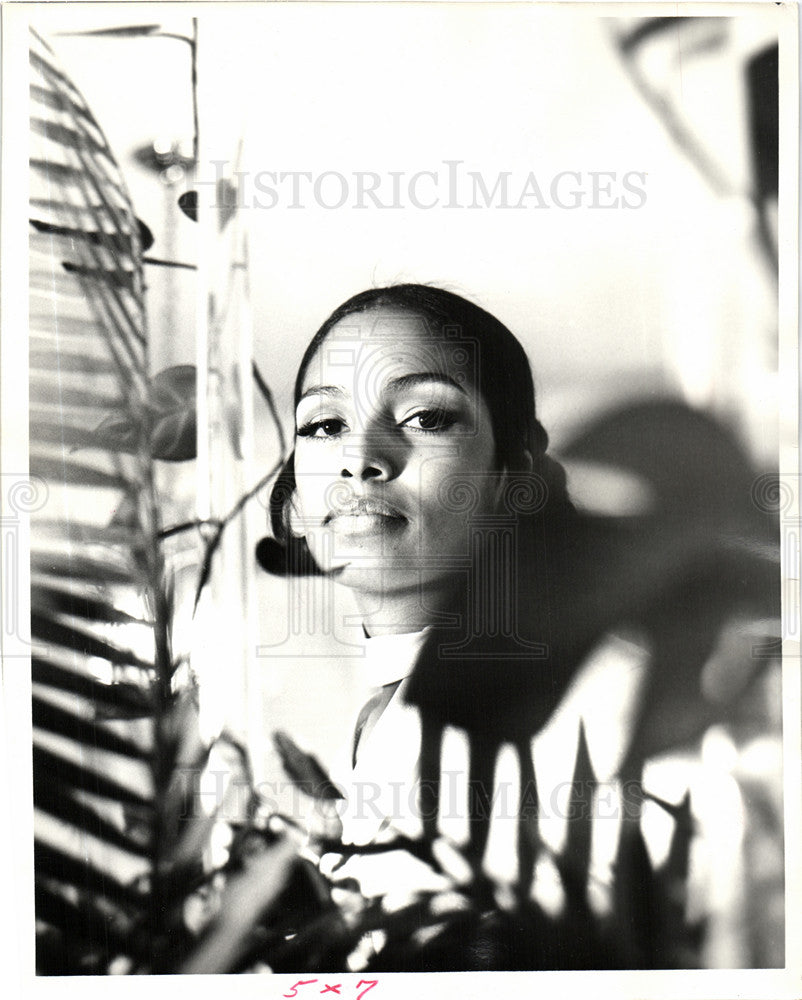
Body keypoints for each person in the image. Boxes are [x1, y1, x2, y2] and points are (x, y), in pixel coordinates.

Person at [261, 284, 657, 909]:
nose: (359, 458)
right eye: (325, 425)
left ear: (515, 472)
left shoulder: (607, 702)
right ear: (294, 498)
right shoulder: (360, 740)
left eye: (426, 418)